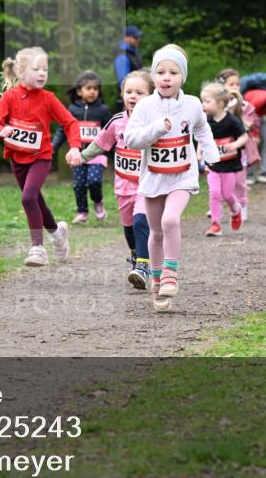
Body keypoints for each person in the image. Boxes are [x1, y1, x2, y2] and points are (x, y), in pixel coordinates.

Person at [124, 44, 220, 311]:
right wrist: (156, 129)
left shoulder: (192, 105)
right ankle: (157, 284)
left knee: (170, 220)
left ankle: (170, 273)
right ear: (153, 76)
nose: (166, 78)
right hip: (153, 178)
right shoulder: (145, 106)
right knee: (155, 233)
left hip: (182, 176)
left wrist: (211, 156)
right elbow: (131, 139)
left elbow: (203, 130)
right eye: (161, 72)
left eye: (173, 73)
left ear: (183, 77)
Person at [0, 47, 83, 267]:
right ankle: (57, 234)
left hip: (41, 157)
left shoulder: (48, 98)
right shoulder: (10, 97)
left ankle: (37, 248)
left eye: (45, 70)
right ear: (21, 72)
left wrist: (75, 147)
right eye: (36, 69)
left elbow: (70, 122)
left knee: (28, 198)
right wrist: (1, 131)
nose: (42, 73)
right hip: (17, 159)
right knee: (35, 200)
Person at [80, 69, 155, 289]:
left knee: (141, 221)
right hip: (123, 184)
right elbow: (100, 143)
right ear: (122, 94)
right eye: (129, 91)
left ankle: (143, 266)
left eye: (139, 92)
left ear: (151, 96)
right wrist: (81, 157)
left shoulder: (156, 123)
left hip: (147, 184)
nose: (133, 96)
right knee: (129, 226)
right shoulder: (117, 121)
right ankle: (135, 255)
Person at [52, 71, 112, 223]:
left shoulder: (103, 110)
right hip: (77, 154)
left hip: (97, 155)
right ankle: (82, 211)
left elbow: (111, 131)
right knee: (79, 184)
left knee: (94, 181)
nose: (92, 91)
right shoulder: (73, 110)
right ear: (79, 91)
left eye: (95, 88)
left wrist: (117, 151)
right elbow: (63, 129)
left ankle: (98, 203)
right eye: (88, 88)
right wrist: (53, 146)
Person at [199, 83, 248, 237]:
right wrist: (199, 154)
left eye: (207, 101)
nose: (203, 105)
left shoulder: (232, 121)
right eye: (202, 101)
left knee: (227, 195)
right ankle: (215, 224)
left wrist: (234, 145)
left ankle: (236, 210)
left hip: (229, 164)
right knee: (214, 192)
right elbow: (201, 139)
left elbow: (244, 137)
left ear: (220, 104)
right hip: (213, 165)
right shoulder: (205, 121)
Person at [216, 69, 258, 221]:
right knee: (217, 180)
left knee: (239, 181)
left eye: (237, 84)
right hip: (220, 150)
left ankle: (242, 205)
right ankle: (216, 207)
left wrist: (236, 111)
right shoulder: (215, 105)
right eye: (231, 84)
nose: (235, 87)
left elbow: (248, 125)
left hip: (239, 150)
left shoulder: (245, 106)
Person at [113, 25, 143, 95]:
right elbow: (123, 82)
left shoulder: (133, 54)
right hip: (128, 97)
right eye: (135, 37)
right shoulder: (122, 56)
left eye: (138, 37)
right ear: (126, 38)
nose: (138, 39)